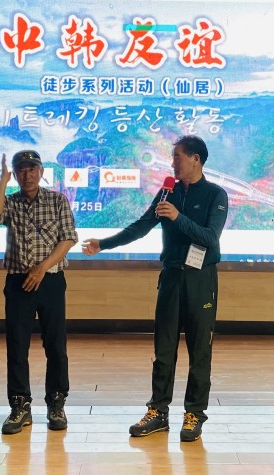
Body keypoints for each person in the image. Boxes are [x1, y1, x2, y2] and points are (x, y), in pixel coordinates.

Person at [83, 135, 228, 443]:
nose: (172, 162)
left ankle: (194, 414)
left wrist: (177, 217)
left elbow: (210, 238)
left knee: (200, 351)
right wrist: (103, 244)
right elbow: (141, 226)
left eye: (177, 157)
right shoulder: (168, 192)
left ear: (196, 159)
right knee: (163, 349)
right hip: (171, 278)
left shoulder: (216, 194)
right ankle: (158, 412)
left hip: (201, 280)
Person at [0, 150, 78, 435]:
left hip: (50, 280)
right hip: (18, 282)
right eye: (21, 170)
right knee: (17, 346)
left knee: (56, 345)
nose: (28, 175)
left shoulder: (57, 200)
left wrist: (41, 268)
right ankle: (20, 405)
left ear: (41, 172)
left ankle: (56, 403)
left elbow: (68, 239)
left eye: (32, 169)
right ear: (15, 173)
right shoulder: (10, 202)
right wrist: (3, 182)